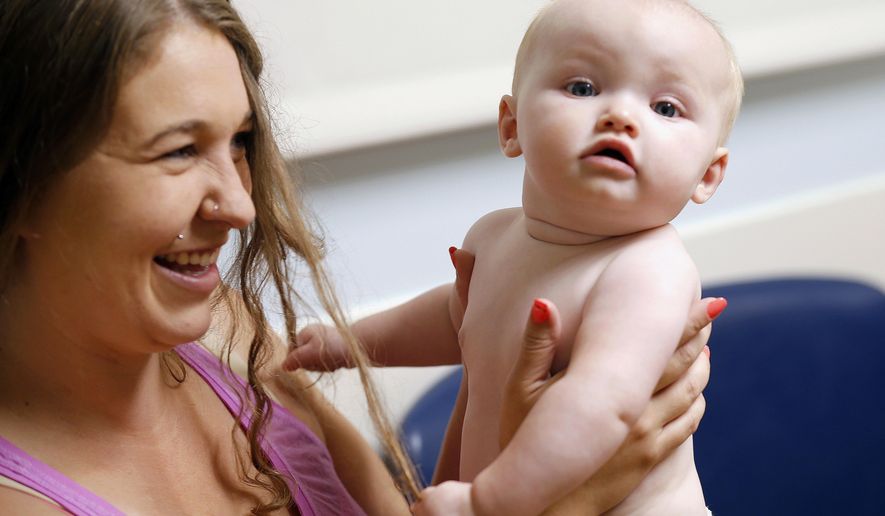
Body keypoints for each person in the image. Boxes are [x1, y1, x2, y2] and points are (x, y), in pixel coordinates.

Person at [0, 0, 715, 514]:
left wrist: (487, 393)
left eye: (241, 144)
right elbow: (453, 315)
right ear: (22, 186)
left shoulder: (223, 329)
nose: (241, 209)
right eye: (179, 151)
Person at [286, 0, 742, 514]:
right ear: (512, 127)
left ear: (708, 174)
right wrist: (344, 343)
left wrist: (488, 503)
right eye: (583, 88)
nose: (620, 116)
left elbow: (601, 405)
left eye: (665, 107)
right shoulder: (494, 235)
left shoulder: (648, 270)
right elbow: (456, 320)